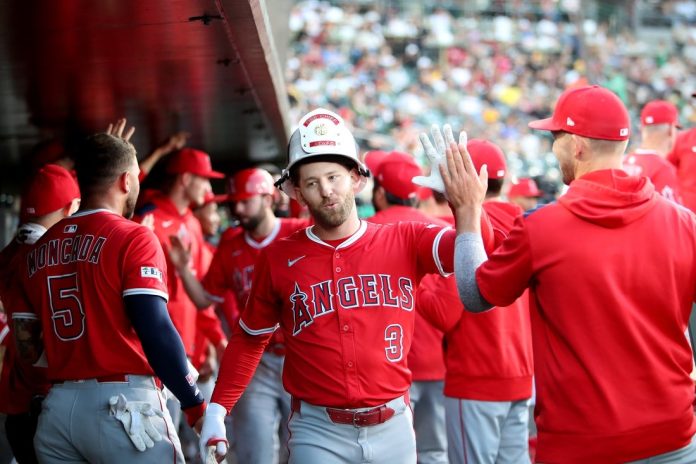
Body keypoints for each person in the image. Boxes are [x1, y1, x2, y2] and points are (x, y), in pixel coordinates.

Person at [197, 108, 496, 464]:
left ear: (356, 178)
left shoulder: (405, 238)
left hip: (394, 425)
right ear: (297, 193)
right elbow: (250, 338)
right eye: (312, 183)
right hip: (317, 430)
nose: (326, 191)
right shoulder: (278, 257)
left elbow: (476, 246)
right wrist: (217, 409)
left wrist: (466, 206)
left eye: (333, 177)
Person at [448, 85, 696, 463]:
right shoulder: (684, 223)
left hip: (582, 442)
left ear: (577, 146)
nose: (553, 149)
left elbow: (474, 294)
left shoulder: (541, 228)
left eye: (556, 138)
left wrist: (467, 212)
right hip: (674, 435)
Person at [13, 120, 206, 464]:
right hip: (124, 406)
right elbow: (155, 330)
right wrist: (194, 404)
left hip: (58, 410)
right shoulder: (134, 236)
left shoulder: (38, 249)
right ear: (126, 181)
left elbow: (29, 347)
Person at [169, 167, 308, 464]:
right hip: (255, 361)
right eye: (235, 203)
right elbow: (204, 299)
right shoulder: (231, 244)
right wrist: (182, 269)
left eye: (246, 201)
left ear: (268, 198)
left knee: (305, 451)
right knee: (254, 453)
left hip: (301, 358)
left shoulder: (299, 231)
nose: (238, 209)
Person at [417, 140, 533, 464]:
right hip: (522, 376)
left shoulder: (466, 226)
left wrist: (415, 284)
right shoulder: (527, 223)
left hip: (476, 376)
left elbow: (444, 312)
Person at [364, 150, 449, 464]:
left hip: (380, 371)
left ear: (380, 193)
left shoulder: (362, 231)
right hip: (437, 364)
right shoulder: (441, 230)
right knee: (434, 453)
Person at [133, 146, 223, 426]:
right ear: (185, 179)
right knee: (165, 441)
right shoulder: (148, 220)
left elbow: (198, 291)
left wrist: (210, 341)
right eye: (204, 179)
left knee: (204, 437)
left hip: (192, 350)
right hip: (159, 353)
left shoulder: (193, 223)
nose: (208, 187)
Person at [0, 164, 81, 464]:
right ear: (71, 207)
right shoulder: (49, 257)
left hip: (19, 404)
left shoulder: (11, 254)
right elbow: (32, 353)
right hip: (45, 403)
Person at [623, 99, 681, 202]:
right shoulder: (663, 169)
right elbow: (670, 211)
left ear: (642, 129)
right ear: (671, 131)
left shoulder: (625, 160)